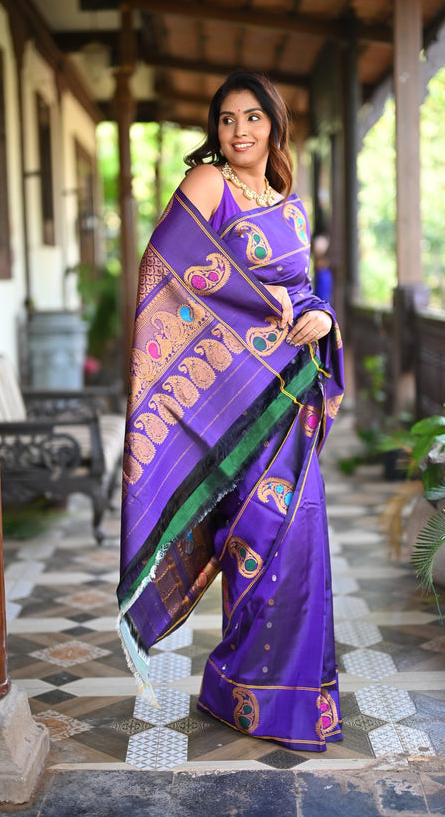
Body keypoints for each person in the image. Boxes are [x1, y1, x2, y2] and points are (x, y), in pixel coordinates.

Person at [117, 70, 345, 752]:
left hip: (289, 404)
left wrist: (322, 319)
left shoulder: (294, 208)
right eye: (226, 120)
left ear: (273, 124)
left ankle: (285, 699)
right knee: (251, 536)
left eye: (252, 118)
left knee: (297, 538)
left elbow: (303, 294)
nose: (239, 131)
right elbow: (168, 270)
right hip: (235, 403)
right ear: (214, 130)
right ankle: (239, 687)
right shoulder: (208, 185)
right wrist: (259, 320)